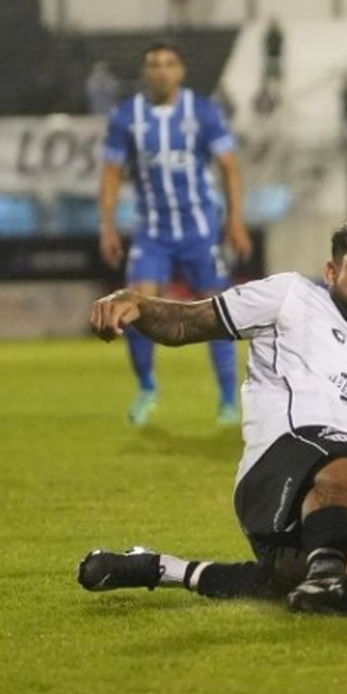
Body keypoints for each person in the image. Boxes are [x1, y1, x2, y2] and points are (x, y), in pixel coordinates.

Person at [77, 217, 347, 616]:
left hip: (329, 502)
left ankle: (163, 568)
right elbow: (187, 322)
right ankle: (327, 575)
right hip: (278, 471)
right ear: (331, 271)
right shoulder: (292, 296)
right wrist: (135, 302)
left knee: (342, 570)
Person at [99, 41, 253, 427]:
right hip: (152, 232)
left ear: (181, 71)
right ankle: (146, 387)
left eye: (168, 63)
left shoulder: (203, 112)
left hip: (200, 232)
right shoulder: (126, 117)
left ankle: (227, 401)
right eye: (153, 64)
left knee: (216, 311)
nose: (161, 70)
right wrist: (107, 226)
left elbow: (229, 167)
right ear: (145, 72)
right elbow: (111, 173)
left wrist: (235, 221)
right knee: (134, 305)